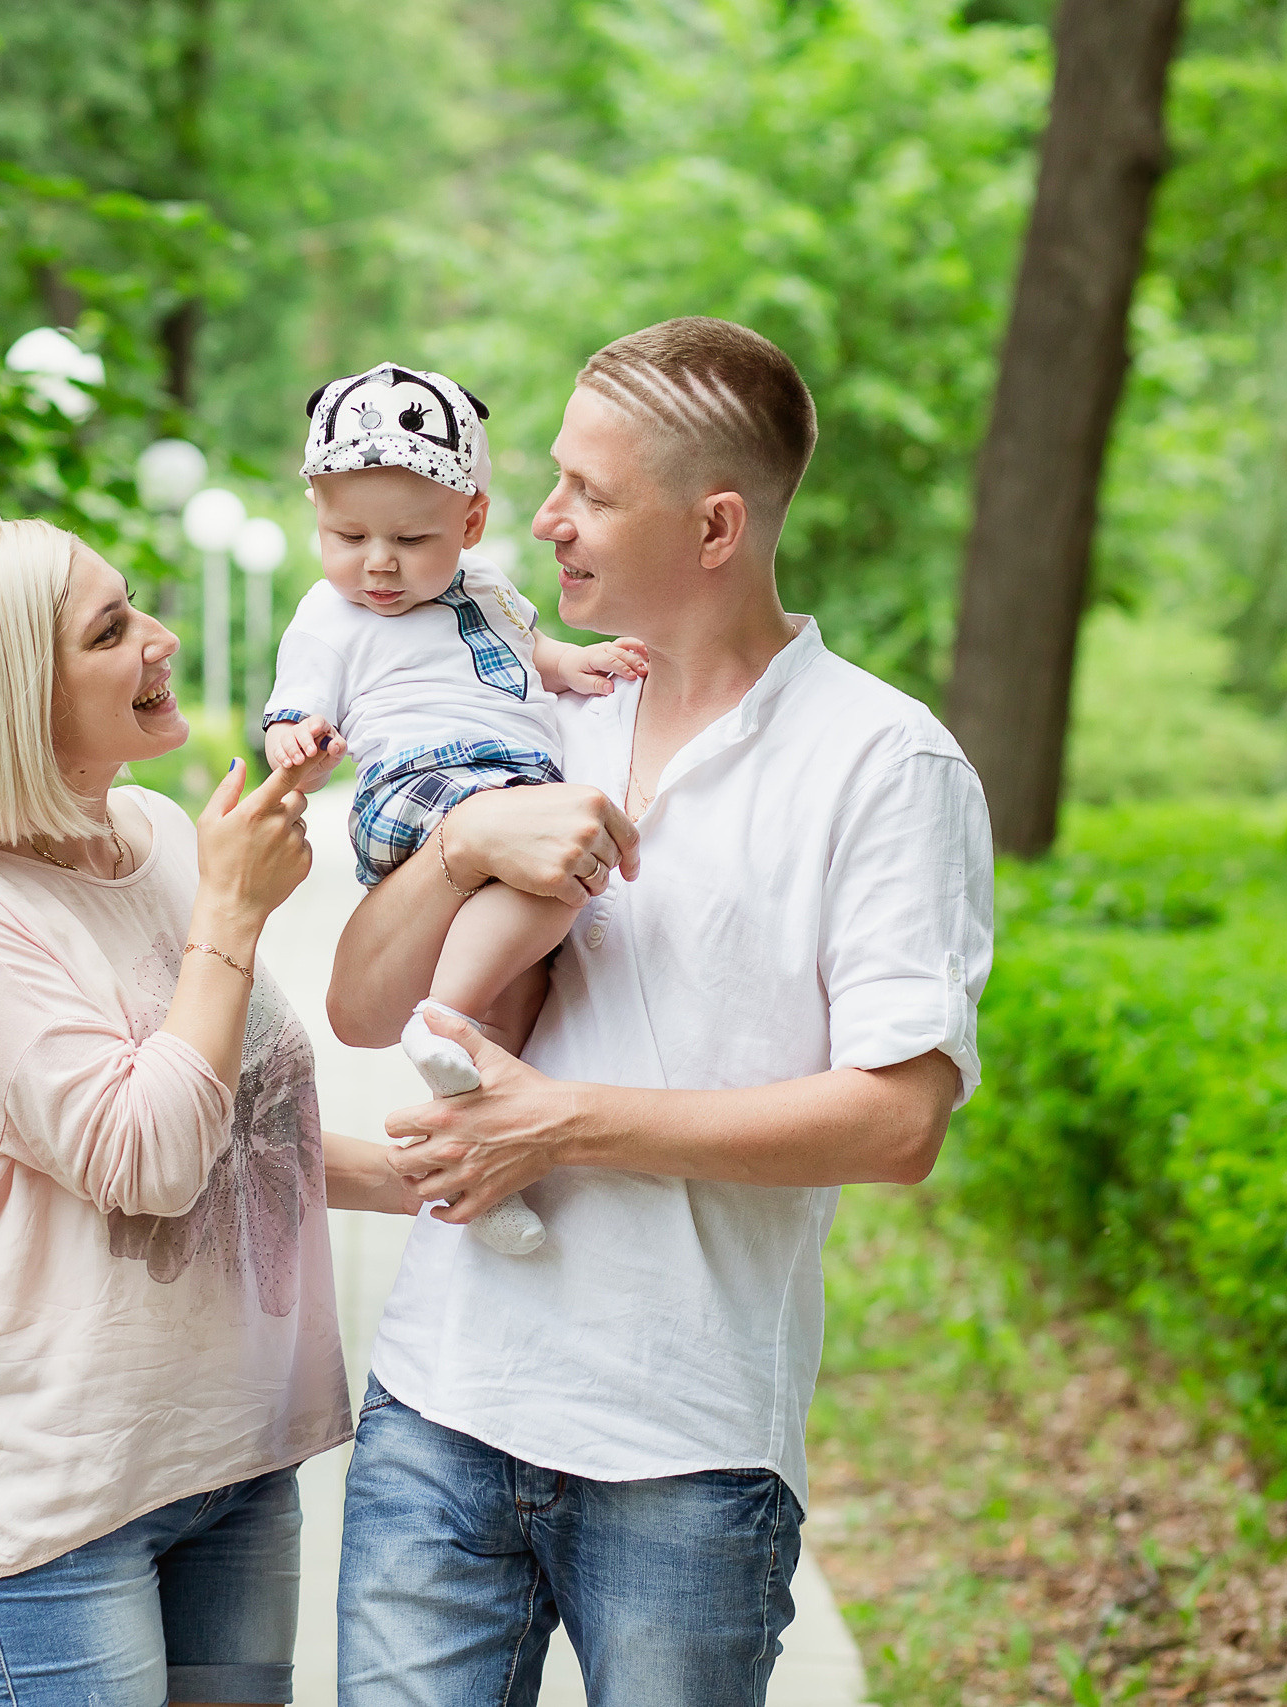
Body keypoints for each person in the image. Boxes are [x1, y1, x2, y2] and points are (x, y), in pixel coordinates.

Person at [326, 319, 997, 1707]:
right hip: (439, 1408)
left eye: (591, 491)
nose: (543, 521)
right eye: (553, 479)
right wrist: (461, 846)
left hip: (685, 1452)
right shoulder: (517, 708)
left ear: (717, 526)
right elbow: (360, 998)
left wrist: (556, 1126)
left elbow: (899, 1117)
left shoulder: (884, 761)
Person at [0, 518, 418, 1707]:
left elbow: (237, 1128)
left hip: (230, 1461)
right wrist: (229, 916)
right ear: (8, 696)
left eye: (137, 607)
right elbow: (150, 1157)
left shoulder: (162, 836)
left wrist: (439, 1170)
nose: (157, 639)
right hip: (47, 1514)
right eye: (109, 631)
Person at [262, 362, 647, 1254]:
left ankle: (477, 1142)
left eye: (412, 537)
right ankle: (450, 1018)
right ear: (316, 514)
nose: (380, 562)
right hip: (425, 780)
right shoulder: (331, 614)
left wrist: (572, 663)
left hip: (502, 781)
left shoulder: (489, 587)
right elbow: (297, 703)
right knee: (565, 866)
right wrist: (295, 738)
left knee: (528, 984)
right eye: (348, 534)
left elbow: (527, 652)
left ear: (470, 521)